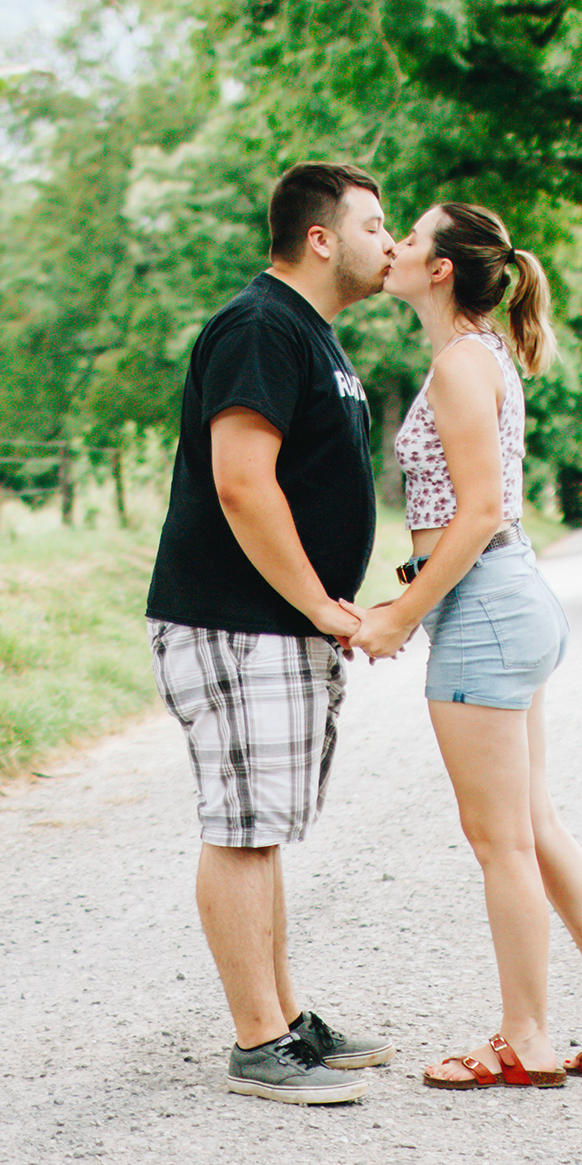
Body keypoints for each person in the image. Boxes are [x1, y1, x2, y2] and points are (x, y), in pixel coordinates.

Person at [350, 202, 582, 1091]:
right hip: (506, 595)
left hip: (486, 604)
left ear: (443, 268)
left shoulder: (461, 362)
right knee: (530, 822)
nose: (394, 249)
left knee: (500, 839)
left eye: (409, 239)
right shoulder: (477, 353)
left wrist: (403, 612)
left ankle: (524, 1036)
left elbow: (480, 510)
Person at [146, 162, 399, 1104]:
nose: (392, 241)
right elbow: (242, 483)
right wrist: (323, 605)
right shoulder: (260, 325)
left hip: (271, 626)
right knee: (244, 825)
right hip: (236, 620)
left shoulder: (310, 336)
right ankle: (259, 1042)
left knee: (266, 825)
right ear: (322, 236)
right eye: (376, 224)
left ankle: (286, 1019)